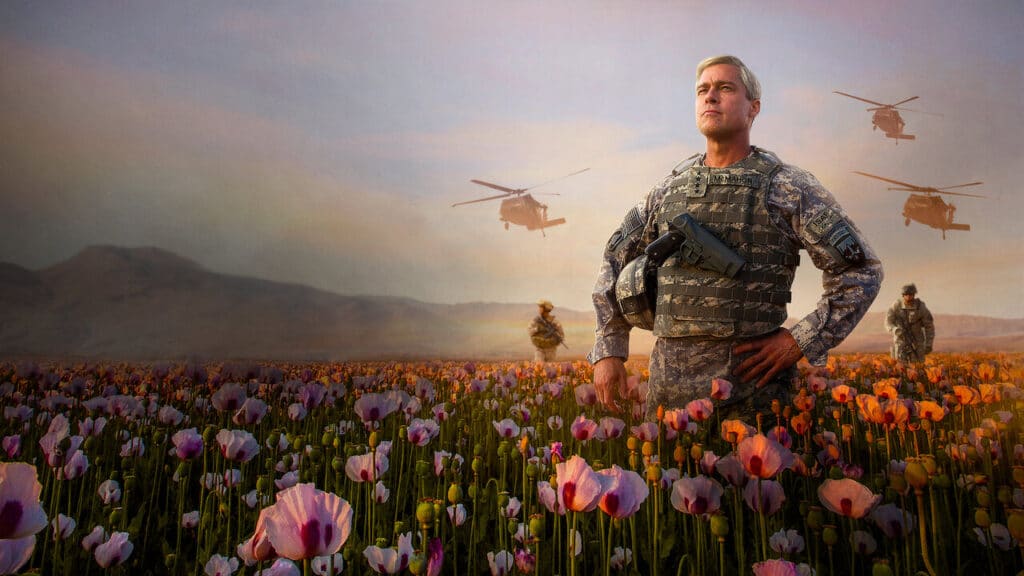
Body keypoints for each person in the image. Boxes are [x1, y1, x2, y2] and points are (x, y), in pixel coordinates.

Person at [589, 55, 883, 421]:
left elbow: (861, 270)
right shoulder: (666, 190)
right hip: (669, 396)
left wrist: (800, 340)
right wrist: (609, 349)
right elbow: (614, 259)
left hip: (753, 393)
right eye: (703, 90)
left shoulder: (787, 186)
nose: (710, 97)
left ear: (753, 108)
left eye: (725, 88)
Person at [885, 283, 934, 363]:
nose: (908, 297)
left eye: (910, 294)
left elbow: (929, 326)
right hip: (901, 341)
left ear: (914, 295)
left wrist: (929, 344)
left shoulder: (920, 307)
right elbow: (888, 322)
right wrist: (895, 330)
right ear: (903, 295)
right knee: (900, 367)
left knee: (918, 367)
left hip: (916, 343)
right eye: (906, 294)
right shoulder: (896, 306)